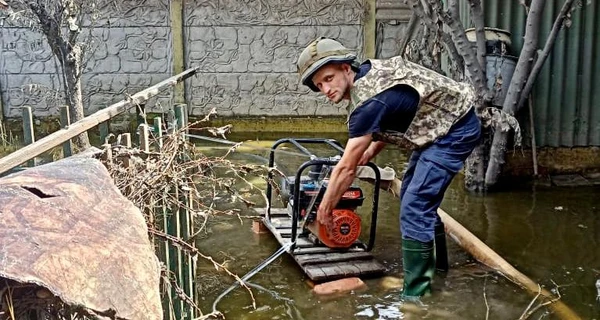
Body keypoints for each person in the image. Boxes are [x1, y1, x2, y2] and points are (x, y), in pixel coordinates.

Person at [296, 37, 481, 300]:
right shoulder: (369, 74)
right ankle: (438, 269)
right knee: (413, 198)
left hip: (454, 130)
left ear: (346, 68)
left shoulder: (367, 105)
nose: (325, 89)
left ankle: (416, 297)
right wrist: (370, 150)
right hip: (438, 126)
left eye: (328, 78)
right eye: (319, 85)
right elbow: (396, 113)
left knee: (415, 205)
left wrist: (325, 208)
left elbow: (346, 168)